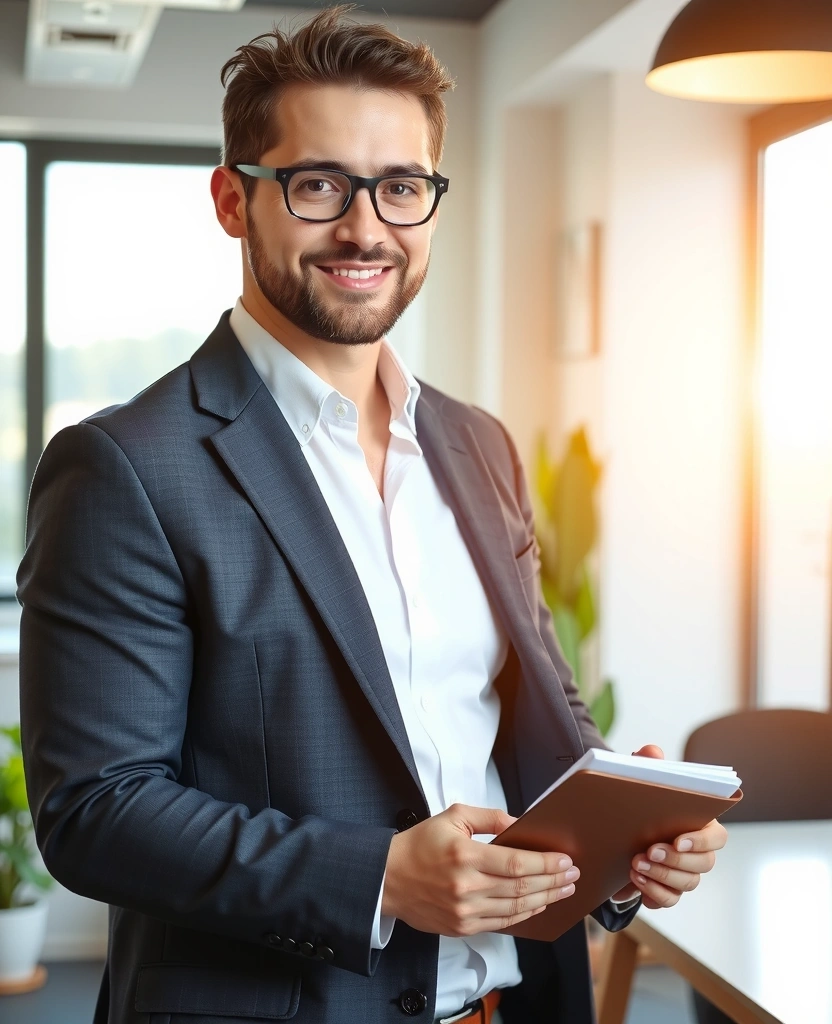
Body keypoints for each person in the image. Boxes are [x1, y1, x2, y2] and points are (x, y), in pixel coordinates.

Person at [17, 7, 726, 1023]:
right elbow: (97, 811)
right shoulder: (125, 466)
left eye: (400, 187)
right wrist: (381, 879)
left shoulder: (479, 446)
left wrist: (627, 835)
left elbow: (536, 729)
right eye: (319, 185)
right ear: (233, 200)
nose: (365, 228)